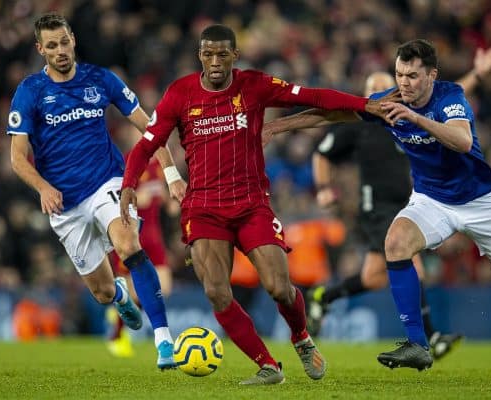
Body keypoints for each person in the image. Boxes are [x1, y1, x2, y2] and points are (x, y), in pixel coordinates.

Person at [119, 24, 397, 385]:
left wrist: (364, 105)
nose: (215, 61)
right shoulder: (179, 94)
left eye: (223, 53)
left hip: (251, 204)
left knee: (280, 287)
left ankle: (301, 337)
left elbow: (313, 97)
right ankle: (268, 365)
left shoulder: (254, 85)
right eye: (208, 53)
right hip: (202, 207)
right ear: (199, 55)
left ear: (235, 55)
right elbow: (146, 145)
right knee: (217, 293)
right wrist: (128, 185)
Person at [265, 39, 491, 370]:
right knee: (395, 243)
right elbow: (329, 115)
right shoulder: (388, 102)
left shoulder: (449, 97)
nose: (403, 83)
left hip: (479, 201)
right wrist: (277, 126)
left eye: (411, 76)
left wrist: (416, 118)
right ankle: (418, 345)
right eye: (399, 74)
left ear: (431, 75)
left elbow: (463, 141)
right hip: (431, 199)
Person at [6, 13, 187, 370]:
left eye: (64, 42)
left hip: (108, 182)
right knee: (103, 292)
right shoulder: (30, 91)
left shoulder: (101, 79)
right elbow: (16, 158)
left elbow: (150, 127)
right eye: (52, 45)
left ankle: (163, 340)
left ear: (73, 38)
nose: (60, 51)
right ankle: (120, 295)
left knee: (129, 244)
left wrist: (170, 172)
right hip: (64, 204)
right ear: (41, 49)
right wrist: (42, 187)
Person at [106, 159, 174, 358]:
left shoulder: (160, 164)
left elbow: (159, 192)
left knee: (165, 287)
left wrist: (168, 202)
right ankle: (117, 333)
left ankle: (120, 313)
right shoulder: (129, 160)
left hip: (155, 235)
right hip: (133, 233)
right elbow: (114, 194)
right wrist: (134, 199)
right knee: (134, 286)